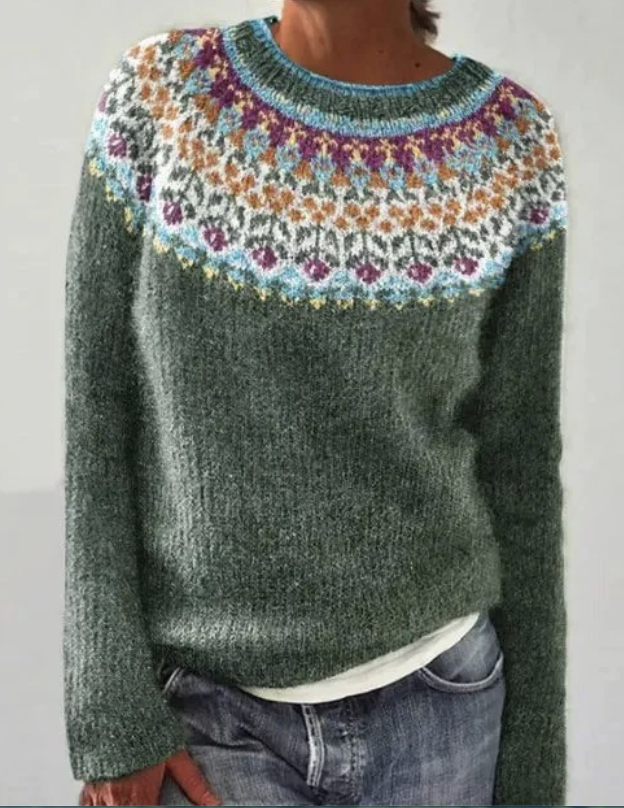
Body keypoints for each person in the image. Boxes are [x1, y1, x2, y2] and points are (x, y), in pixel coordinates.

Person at [63, 0, 569, 805]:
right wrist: (111, 712)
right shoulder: (164, 93)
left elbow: (520, 461)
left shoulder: (508, 140)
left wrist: (534, 776)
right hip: (207, 717)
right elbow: (98, 412)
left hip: (443, 709)